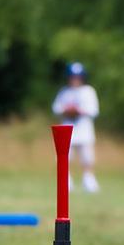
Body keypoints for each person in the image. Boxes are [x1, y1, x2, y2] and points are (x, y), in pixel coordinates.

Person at [52, 61, 100, 193]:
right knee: (65, 157)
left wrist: (78, 110)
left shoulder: (88, 91)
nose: (75, 80)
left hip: (84, 131)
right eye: (73, 77)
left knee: (87, 157)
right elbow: (56, 108)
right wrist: (67, 110)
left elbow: (94, 110)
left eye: (78, 77)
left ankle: (88, 179)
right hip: (67, 131)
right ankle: (67, 180)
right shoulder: (64, 92)